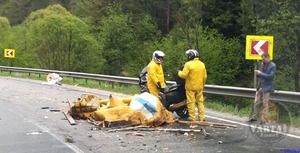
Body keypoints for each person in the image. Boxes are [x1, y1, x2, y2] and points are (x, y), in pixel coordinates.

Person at [177, 49, 207, 126]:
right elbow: (205, 76)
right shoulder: (202, 64)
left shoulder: (188, 64)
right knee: (200, 103)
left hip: (190, 87)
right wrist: (202, 85)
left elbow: (184, 75)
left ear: (190, 56)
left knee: (191, 103)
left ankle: (193, 121)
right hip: (199, 87)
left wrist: (178, 72)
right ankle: (202, 119)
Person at [247, 52, 276, 124]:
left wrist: (260, 73)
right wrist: (257, 74)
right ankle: (254, 117)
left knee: (265, 104)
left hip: (267, 87)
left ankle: (263, 119)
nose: (262, 60)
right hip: (260, 86)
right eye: (262, 59)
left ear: (268, 58)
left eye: (264, 59)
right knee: (256, 102)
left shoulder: (273, 66)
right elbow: (260, 75)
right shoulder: (262, 64)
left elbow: (270, 76)